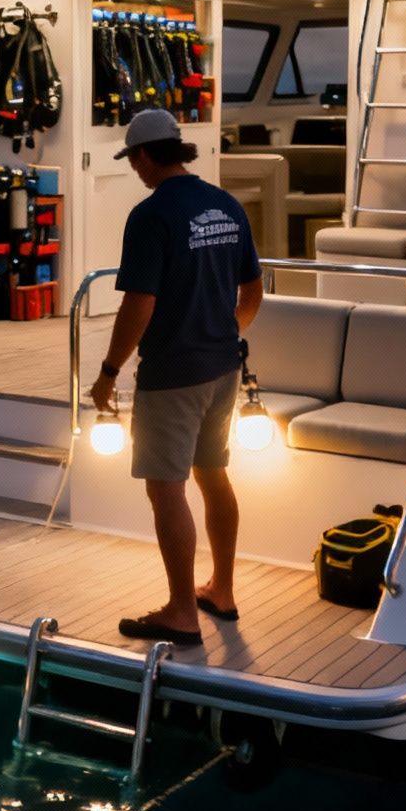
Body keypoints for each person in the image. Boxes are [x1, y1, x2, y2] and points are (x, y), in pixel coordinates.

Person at [88, 110, 263, 648]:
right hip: (223, 367)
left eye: (133, 160)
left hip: (173, 374)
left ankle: (182, 612)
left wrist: (109, 371)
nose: (135, 170)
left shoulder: (150, 215)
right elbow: (252, 293)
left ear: (143, 155)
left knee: (167, 491)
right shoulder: (226, 204)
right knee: (214, 475)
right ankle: (222, 592)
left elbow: (139, 303)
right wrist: (218, 331)